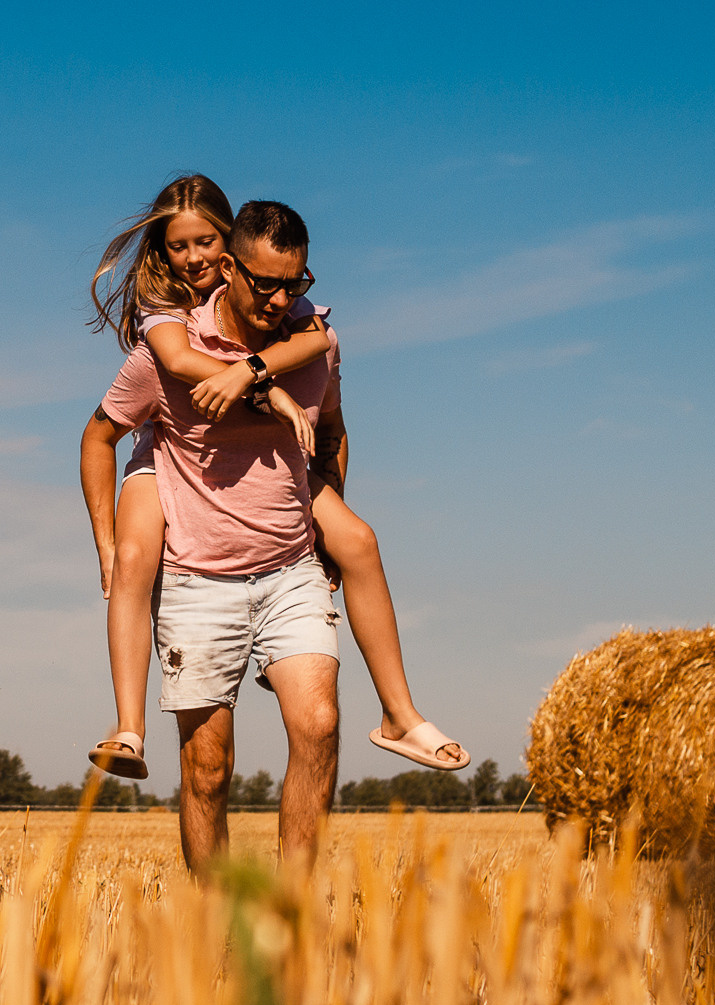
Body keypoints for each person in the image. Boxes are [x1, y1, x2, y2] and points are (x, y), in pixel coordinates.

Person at [83, 180, 465, 783]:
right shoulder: (167, 313)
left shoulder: (292, 312)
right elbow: (177, 367)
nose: (196, 258)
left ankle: (400, 714)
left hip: (277, 476)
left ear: (227, 242)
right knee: (133, 560)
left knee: (359, 541)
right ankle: (128, 725)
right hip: (165, 451)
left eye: (206, 240)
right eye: (179, 246)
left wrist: (256, 371)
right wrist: (264, 387)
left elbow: (318, 343)